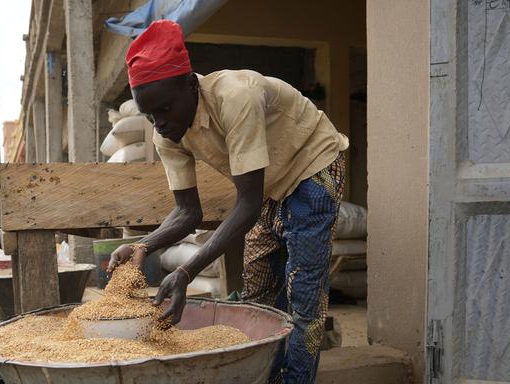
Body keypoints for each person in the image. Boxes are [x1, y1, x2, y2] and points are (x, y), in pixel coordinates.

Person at [106, 20, 349, 384]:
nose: (159, 123)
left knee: (304, 297)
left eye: (166, 109)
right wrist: (144, 246)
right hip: (271, 185)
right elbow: (188, 212)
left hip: (313, 166)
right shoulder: (168, 133)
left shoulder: (236, 96)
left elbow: (247, 205)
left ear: (191, 85)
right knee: (259, 292)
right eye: (150, 115)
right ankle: (268, 375)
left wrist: (186, 272)